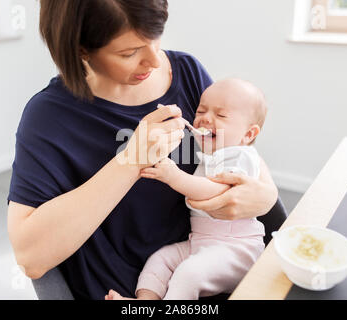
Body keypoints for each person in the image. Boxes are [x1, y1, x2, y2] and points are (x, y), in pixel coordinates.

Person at [7, 0, 279, 300]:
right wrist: (131, 160)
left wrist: (266, 194)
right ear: (81, 49)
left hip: (211, 272)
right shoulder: (48, 117)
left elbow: (239, 149)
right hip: (122, 290)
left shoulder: (186, 71)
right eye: (130, 52)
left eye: (155, 37)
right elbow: (30, 258)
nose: (154, 60)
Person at [105, 78, 268, 300]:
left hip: (237, 250)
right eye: (201, 111)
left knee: (188, 274)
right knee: (159, 260)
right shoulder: (209, 154)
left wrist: (174, 176)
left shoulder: (241, 156)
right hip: (200, 241)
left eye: (220, 116)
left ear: (248, 134)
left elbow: (217, 192)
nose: (205, 119)